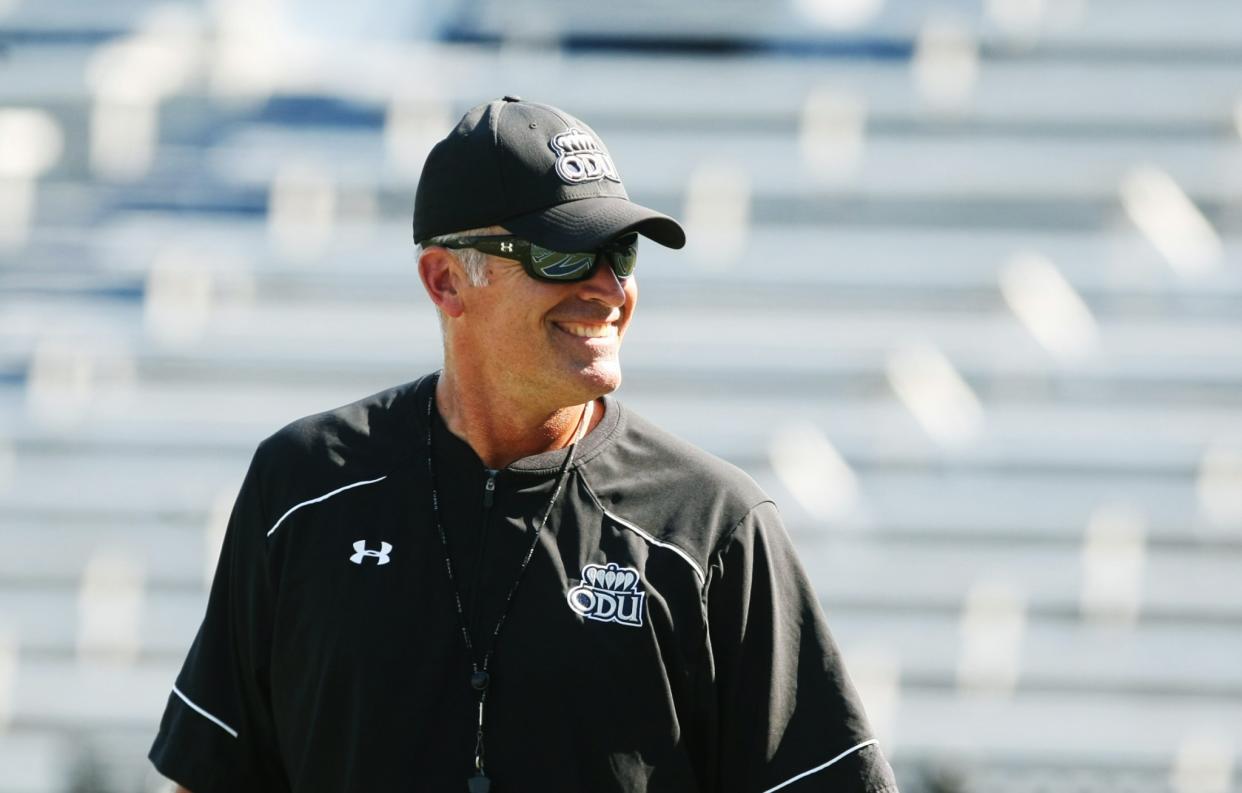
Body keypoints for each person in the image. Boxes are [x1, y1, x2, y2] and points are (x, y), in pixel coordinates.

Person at [149, 96, 899, 793]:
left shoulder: (710, 526)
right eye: (564, 255)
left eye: (622, 254)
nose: (608, 287)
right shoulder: (302, 486)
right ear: (446, 281)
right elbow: (210, 773)